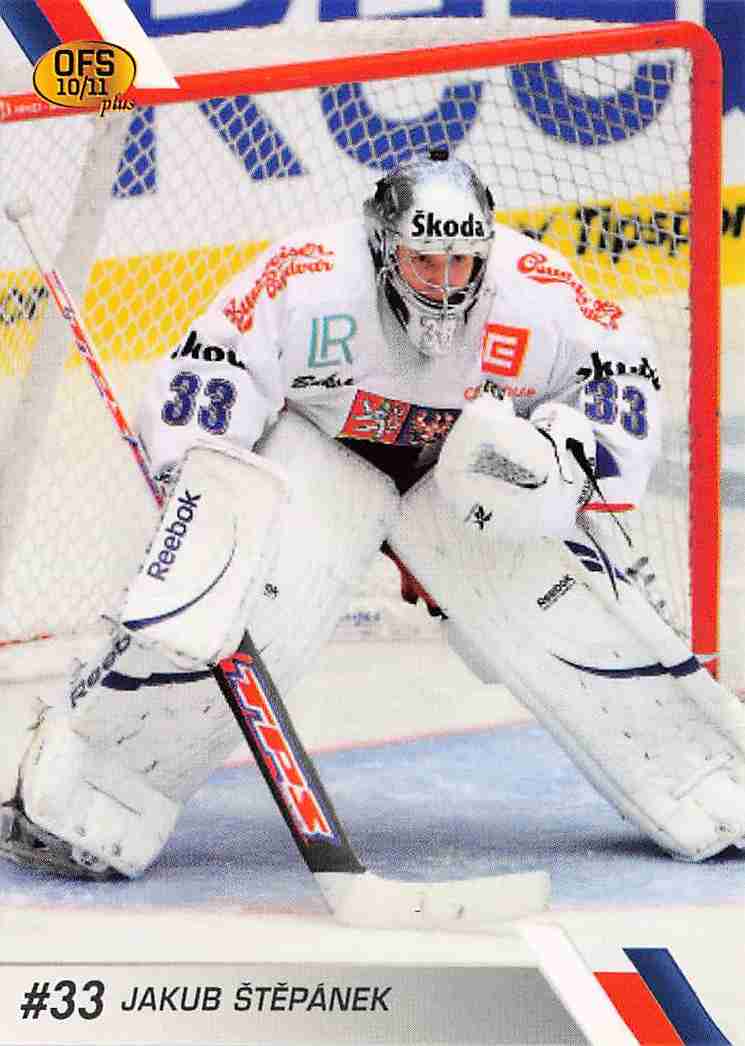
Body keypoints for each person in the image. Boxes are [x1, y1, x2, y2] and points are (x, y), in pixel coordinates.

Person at [3, 147, 745, 881]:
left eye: (462, 263)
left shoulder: (536, 291)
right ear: (386, 250)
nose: (446, 284)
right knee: (229, 616)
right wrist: (205, 492)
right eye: (426, 262)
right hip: (323, 462)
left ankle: (714, 786)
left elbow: (619, 368)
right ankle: (79, 798)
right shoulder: (308, 278)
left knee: (572, 612)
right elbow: (213, 369)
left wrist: (566, 472)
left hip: (467, 482)